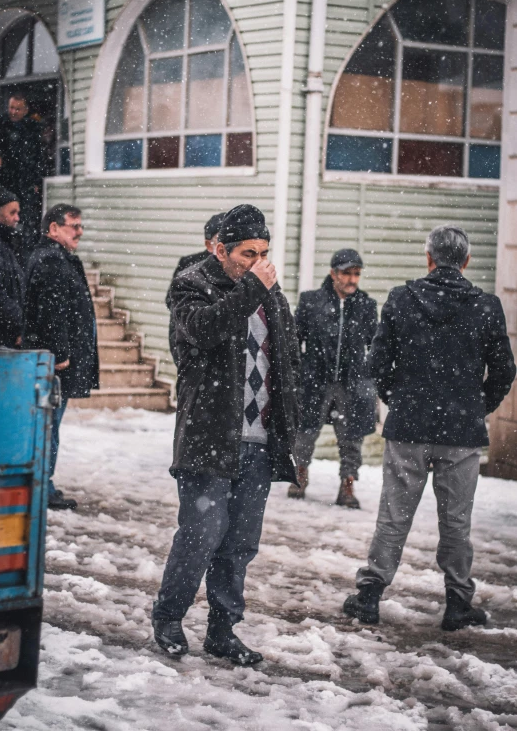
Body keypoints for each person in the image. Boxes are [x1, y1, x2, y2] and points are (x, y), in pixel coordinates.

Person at [344, 226, 516, 631]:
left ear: (428, 258)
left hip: (409, 426)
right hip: (461, 431)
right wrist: (477, 406)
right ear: (466, 261)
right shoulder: (487, 306)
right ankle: (457, 602)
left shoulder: (402, 299)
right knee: (456, 522)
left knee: (393, 516)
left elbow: (377, 364)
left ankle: (369, 596)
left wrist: (400, 401)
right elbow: (505, 370)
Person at [153, 204, 300, 665]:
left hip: (259, 440)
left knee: (240, 543)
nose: (256, 262)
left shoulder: (270, 294)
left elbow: (287, 357)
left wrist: (292, 419)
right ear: (219, 249)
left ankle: (222, 630)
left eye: (263, 253)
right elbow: (205, 331)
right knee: (201, 534)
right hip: (209, 436)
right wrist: (254, 287)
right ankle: (169, 617)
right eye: (246, 253)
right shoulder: (191, 285)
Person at [23, 204, 99, 511]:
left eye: (81, 226)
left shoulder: (57, 259)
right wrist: (60, 353)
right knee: (48, 426)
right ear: (53, 229)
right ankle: (42, 485)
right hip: (55, 362)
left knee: (48, 424)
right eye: (73, 226)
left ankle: (41, 482)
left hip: (56, 358)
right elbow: (51, 311)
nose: (79, 231)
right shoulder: (51, 260)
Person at [289, 249, 377, 508]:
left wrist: (369, 378)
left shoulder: (366, 306)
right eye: (346, 273)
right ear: (333, 273)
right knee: (305, 433)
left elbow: (375, 344)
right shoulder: (312, 301)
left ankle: (348, 484)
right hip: (315, 380)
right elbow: (295, 340)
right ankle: (300, 475)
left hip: (352, 383)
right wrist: (299, 374)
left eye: (356, 274)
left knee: (352, 437)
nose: (351, 279)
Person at [166, 212, 226, 364]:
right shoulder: (190, 265)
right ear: (209, 244)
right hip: (190, 344)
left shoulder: (240, 267)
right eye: (221, 239)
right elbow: (171, 301)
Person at [0, 93, 46, 261]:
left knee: (25, 221)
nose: (13, 112)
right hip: (5, 181)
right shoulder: (0, 125)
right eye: (11, 107)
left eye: (18, 109)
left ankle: (23, 255)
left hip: (25, 182)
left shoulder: (32, 130)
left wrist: (37, 180)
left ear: (25, 110)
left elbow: (40, 157)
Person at [0, 186, 23, 348]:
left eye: (18, 213)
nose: (17, 218)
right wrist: (20, 324)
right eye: (12, 213)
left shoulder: (6, 245)